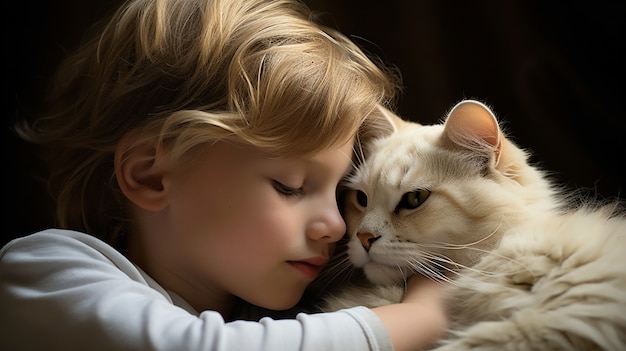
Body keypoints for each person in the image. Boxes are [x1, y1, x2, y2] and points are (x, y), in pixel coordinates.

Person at [0, 0, 448, 350]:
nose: (334, 225)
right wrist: (428, 314)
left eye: (340, 194)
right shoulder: (47, 275)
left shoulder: (272, 314)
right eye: (290, 187)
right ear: (151, 176)